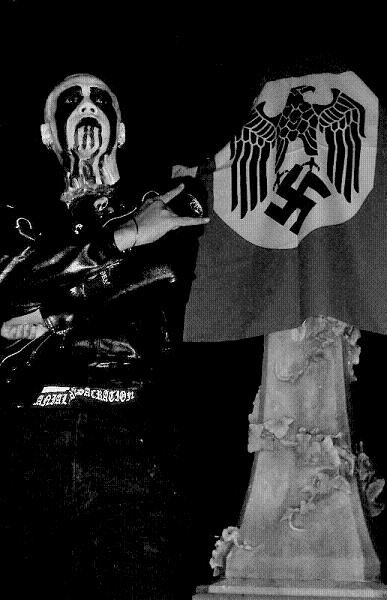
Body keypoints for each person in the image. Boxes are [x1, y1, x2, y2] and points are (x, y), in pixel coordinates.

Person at [0, 73, 209, 599]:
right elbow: (11, 281)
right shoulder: (21, 216)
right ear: (47, 132)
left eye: (100, 99)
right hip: (33, 436)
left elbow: (158, 277)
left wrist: (50, 315)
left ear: (121, 130)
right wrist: (124, 239)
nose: (87, 106)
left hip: (132, 434)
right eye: (71, 100)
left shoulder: (166, 200)